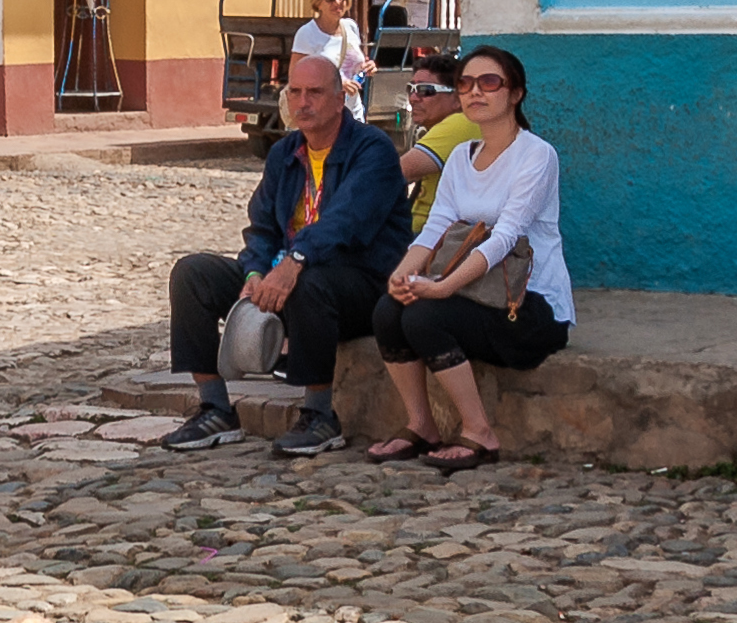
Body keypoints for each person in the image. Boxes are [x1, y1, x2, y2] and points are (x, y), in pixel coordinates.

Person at [156, 55, 415, 459]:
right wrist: (256, 271)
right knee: (193, 273)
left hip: (361, 283)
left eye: (314, 92)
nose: (302, 102)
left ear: (339, 99)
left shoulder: (372, 150)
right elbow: (261, 227)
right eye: (294, 92)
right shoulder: (285, 153)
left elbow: (346, 223)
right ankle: (214, 407)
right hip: (288, 271)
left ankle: (319, 415)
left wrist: (294, 261)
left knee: (309, 281)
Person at [371, 42, 571, 469]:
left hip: (528, 306)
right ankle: (421, 424)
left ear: (515, 93)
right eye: (465, 84)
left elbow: (504, 237)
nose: (475, 92)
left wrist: (442, 287)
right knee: (389, 310)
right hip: (476, 293)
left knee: (425, 317)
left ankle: (479, 431)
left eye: (489, 82)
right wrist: (403, 276)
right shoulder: (461, 157)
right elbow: (435, 228)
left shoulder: (537, 156)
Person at [396, 55, 477, 231]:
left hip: (435, 239)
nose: (413, 98)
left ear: (457, 99)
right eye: (411, 89)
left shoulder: (462, 123)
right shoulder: (437, 128)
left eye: (425, 90)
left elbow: (395, 173)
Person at [291, 0, 373, 96]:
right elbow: (296, 77)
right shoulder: (307, 33)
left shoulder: (351, 27)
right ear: (318, 3)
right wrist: (337, 84)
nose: (337, 2)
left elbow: (354, 67)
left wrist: (366, 69)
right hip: (322, 110)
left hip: (353, 110)